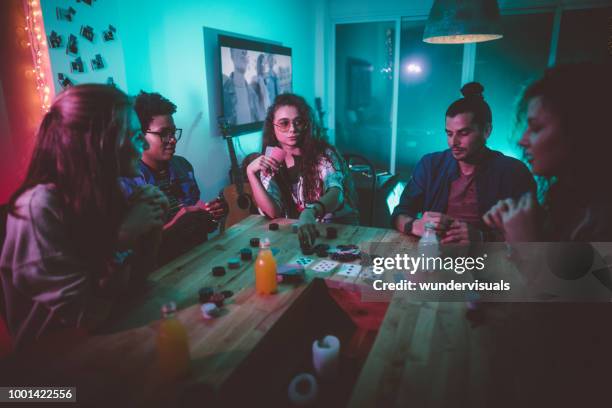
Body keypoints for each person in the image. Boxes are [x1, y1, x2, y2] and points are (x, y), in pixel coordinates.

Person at [0, 84, 167, 348]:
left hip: (115, 338)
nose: (145, 143)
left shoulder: (114, 189)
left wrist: (152, 227)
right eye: (134, 135)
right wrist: (122, 238)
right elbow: (86, 317)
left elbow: (135, 284)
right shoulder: (38, 208)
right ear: (100, 142)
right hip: (52, 368)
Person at [392, 82, 535, 243]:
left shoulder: (513, 173)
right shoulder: (431, 165)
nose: (454, 142)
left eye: (463, 133)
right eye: (449, 133)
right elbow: (399, 214)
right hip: (433, 257)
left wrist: (481, 238)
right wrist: (414, 225)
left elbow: (531, 238)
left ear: (486, 131)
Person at [484, 62, 612, 242]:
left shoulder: (602, 222)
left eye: (536, 128)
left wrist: (526, 245)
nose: (522, 140)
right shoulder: (563, 201)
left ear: (579, 130)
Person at [120, 91, 227, 265]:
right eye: (163, 134)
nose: (172, 140)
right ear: (140, 135)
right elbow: (133, 251)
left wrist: (212, 214)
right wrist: (177, 223)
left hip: (198, 261)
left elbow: (200, 227)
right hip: (161, 273)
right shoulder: (128, 181)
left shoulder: (183, 166)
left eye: (173, 132)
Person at [246, 93, 358, 247]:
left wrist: (310, 211)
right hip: (297, 234)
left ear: (307, 124)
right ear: (273, 126)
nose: (292, 129)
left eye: (298, 122)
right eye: (284, 123)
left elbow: (336, 193)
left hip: (337, 230)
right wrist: (251, 174)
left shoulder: (324, 153)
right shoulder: (272, 157)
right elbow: (273, 212)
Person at [222, 48, 259, 125]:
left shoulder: (253, 95)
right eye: (239, 48)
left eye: (246, 50)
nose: (244, 52)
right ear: (232, 55)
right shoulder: (223, 91)